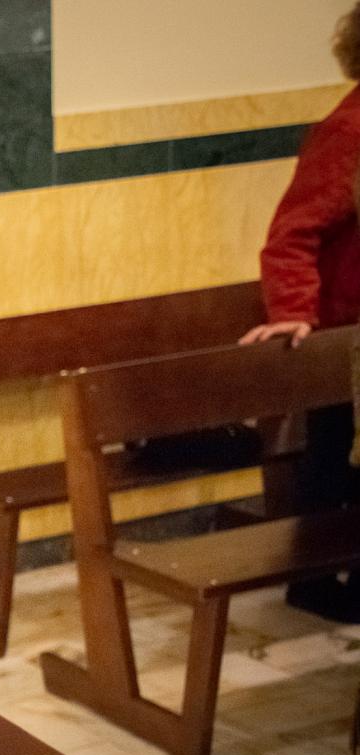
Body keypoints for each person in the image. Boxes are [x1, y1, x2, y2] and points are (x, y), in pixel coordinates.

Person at [241, 3, 360, 620]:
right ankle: (313, 582)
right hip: (345, 332)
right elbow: (293, 234)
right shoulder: (349, 132)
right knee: (331, 451)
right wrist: (295, 311)